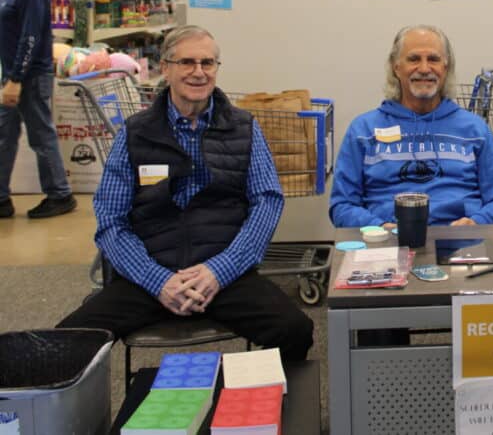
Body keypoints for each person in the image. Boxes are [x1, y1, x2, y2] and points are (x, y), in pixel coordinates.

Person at [58, 26, 313, 360]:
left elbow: (267, 202)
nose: (198, 72)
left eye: (208, 63)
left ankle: (253, 405)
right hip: (149, 276)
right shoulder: (135, 134)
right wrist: (158, 281)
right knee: (63, 344)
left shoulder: (244, 127)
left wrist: (218, 271)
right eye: (187, 62)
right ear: (165, 68)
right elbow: (110, 220)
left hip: (224, 275)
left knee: (295, 330)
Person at [330, 24, 493, 228]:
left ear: (446, 67)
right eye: (414, 59)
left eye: (434, 59)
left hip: (463, 245)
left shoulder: (475, 130)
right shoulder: (363, 130)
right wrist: (378, 227)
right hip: (386, 246)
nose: (425, 69)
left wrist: (476, 222)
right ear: (396, 66)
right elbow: (342, 206)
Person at [0, 0, 76, 219]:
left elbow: (30, 37)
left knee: (41, 136)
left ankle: (60, 194)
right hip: (11, 76)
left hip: (29, 77)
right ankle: (1, 198)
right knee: (3, 136)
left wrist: (16, 79)